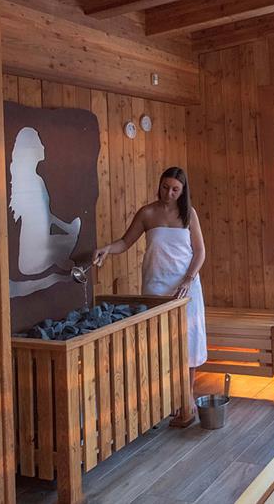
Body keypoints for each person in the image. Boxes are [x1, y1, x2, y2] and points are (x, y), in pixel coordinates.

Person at [92, 167, 207, 422]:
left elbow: (200, 252)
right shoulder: (147, 213)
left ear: (183, 191)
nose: (169, 193)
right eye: (165, 187)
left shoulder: (189, 214)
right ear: (159, 185)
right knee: (160, 341)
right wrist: (107, 249)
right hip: (155, 286)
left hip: (185, 285)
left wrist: (188, 278)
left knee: (188, 339)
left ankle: (187, 396)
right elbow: (125, 242)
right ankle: (164, 399)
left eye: (175, 189)